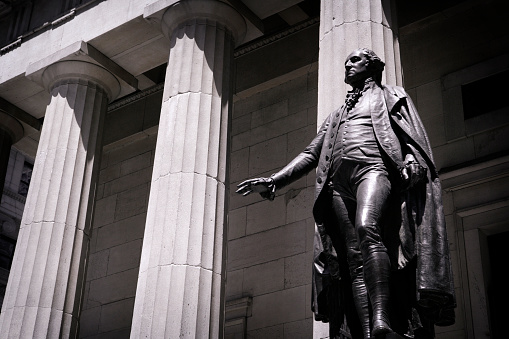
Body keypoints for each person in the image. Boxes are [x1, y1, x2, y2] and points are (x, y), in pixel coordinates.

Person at [236, 48, 455, 339]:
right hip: (337, 185)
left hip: (374, 170)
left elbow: (411, 136)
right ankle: (368, 330)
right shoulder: (338, 114)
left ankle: (382, 319)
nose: (348, 65)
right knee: (352, 258)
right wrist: (274, 180)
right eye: (346, 62)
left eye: (354, 60)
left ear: (373, 66)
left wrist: (413, 158)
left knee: (368, 227)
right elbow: (310, 153)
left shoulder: (391, 96)